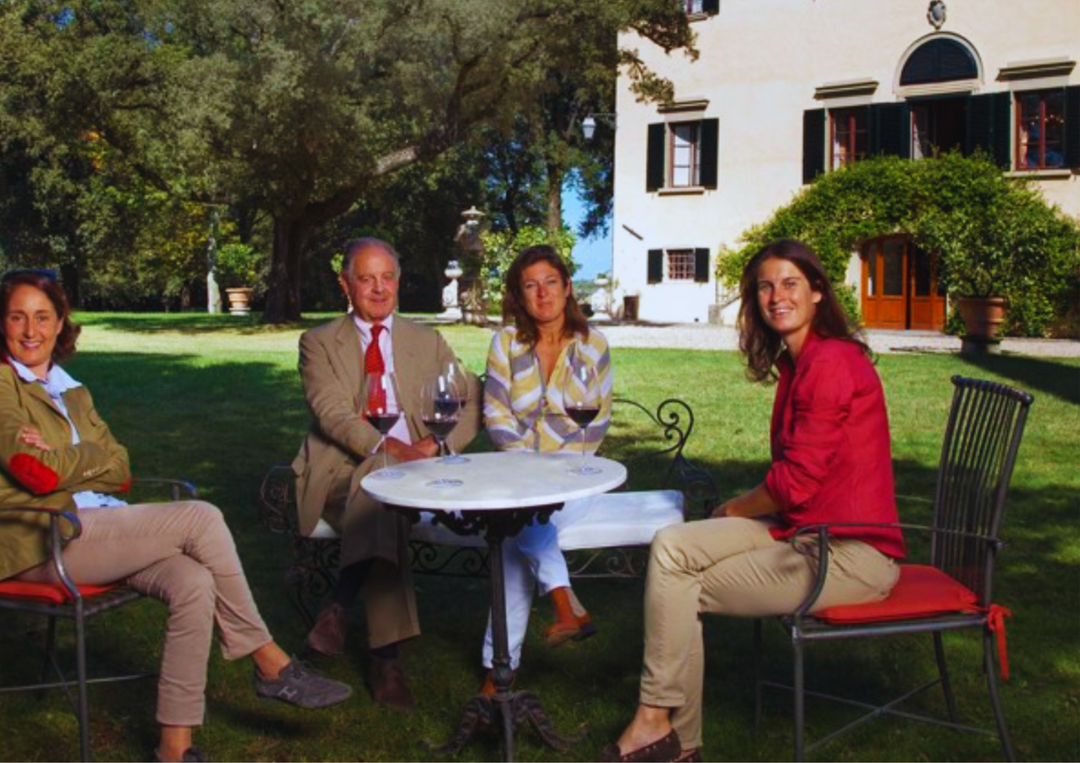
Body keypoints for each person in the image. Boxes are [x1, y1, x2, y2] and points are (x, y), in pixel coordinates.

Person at [0, 270, 352, 763]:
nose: (30, 330)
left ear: (61, 324)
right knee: (200, 517)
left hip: (95, 528)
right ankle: (269, 661)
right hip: (40, 541)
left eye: (42, 317)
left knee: (191, 580)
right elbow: (34, 474)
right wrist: (85, 460)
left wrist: (69, 460)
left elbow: (122, 470)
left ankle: (174, 749)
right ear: (2, 323)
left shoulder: (70, 389)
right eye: (17, 317)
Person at [601, 239, 905, 762]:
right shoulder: (798, 364)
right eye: (765, 286)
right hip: (804, 531)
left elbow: (796, 483)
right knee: (672, 545)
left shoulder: (831, 362)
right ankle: (666, 731)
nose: (776, 296)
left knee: (680, 588)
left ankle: (667, 732)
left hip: (851, 552)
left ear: (817, 293)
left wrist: (733, 509)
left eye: (790, 283)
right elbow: (796, 487)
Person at [293, 238, 481, 712]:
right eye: (366, 278)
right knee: (382, 481)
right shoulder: (318, 343)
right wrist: (391, 448)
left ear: (398, 281)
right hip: (341, 472)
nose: (379, 289)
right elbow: (333, 414)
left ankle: (339, 604)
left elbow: (473, 397)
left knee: (386, 490)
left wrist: (436, 444)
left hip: (416, 465)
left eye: (388, 277)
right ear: (345, 285)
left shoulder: (425, 339)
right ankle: (386, 658)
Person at [481, 244, 613, 690]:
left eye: (550, 282)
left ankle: (496, 675)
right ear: (520, 295)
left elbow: (596, 423)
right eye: (530, 286)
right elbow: (496, 413)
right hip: (519, 476)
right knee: (522, 523)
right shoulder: (505, 342)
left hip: (575, 478)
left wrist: (555, 472)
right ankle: (565, 606)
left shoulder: (593, 345)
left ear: (567, 286)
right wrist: (527, 469)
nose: (542, 294)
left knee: (515, 533)